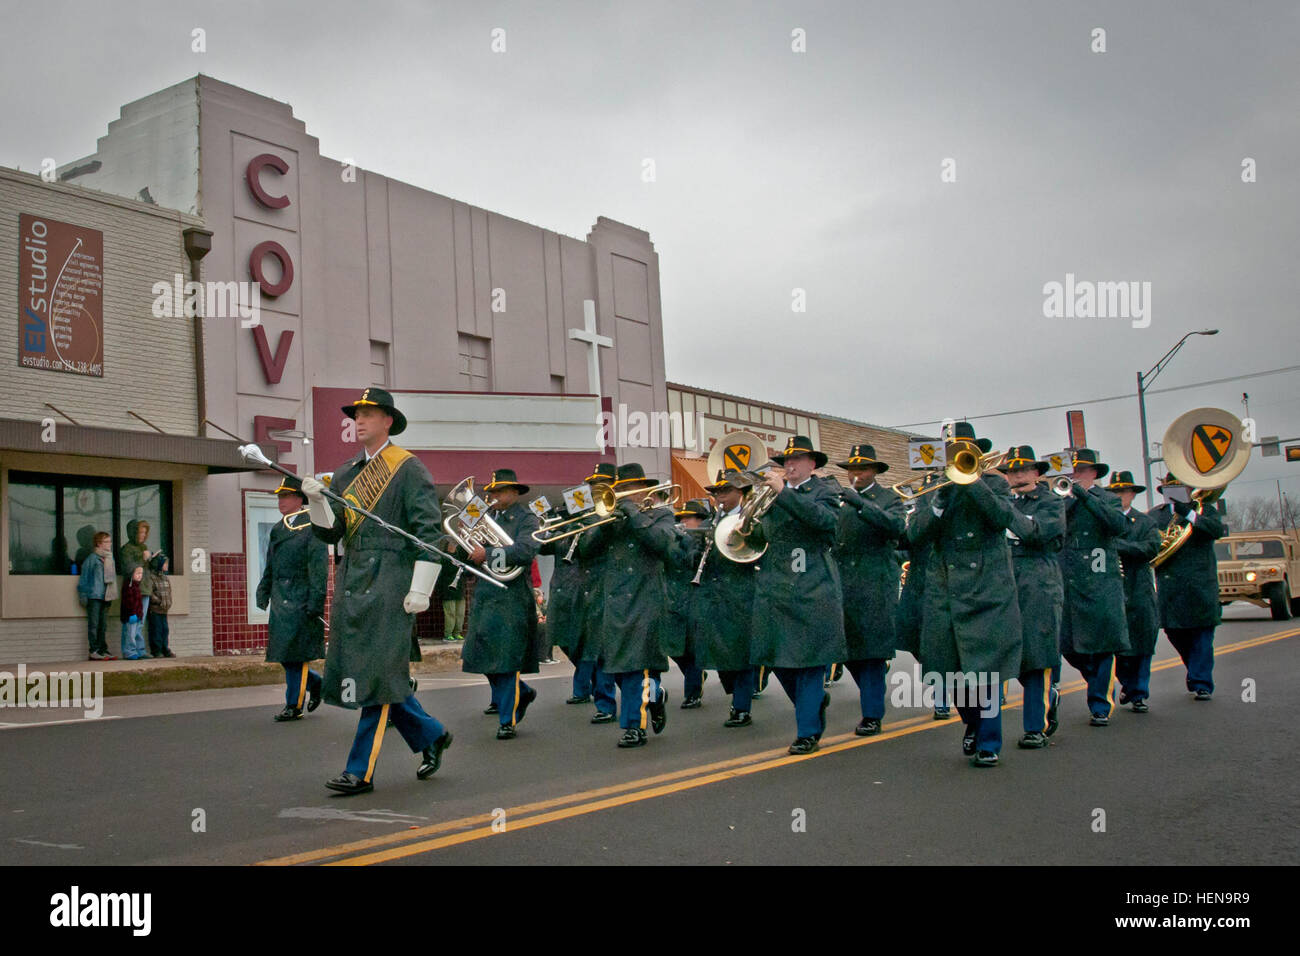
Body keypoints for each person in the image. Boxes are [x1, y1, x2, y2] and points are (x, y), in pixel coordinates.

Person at [299, 386, 453, 795]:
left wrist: (421, 586)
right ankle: (432, 734)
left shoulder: (408, 469)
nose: (359, 420)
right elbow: (332, 531)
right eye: (356, 414)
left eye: (369, 413)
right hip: (353, 580)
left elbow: (428, 533)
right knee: (376, 675)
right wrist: (316, 501)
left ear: (388, 420)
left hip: (391, 580)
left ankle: (359, 771)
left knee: (378, 676)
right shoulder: (347, 472)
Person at [909, 423, 1023, 768]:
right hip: (945, 587)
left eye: (962, 449)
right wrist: (940, 502)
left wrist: (972, 482)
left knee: (984, 670)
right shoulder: (934, 487)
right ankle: (972, 722)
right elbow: (914, 533)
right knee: (950, 671)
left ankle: (989, 741)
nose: (956, 456)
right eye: (950, 450)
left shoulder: (995, 482)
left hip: (986, 586)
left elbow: (1003, 518)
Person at [746, 435, 847, 756]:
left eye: (797, 460)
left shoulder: (826, 490)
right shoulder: (771, 495)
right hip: (775, 589)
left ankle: (807, 732)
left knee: (807, 664)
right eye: (786, 461)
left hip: (812, 588)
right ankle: (814, 701)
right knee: (779, 662)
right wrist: (747, 521)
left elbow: (824, 522)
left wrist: (782, 493)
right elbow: (761, 536)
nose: (789, 466)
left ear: (812, 464)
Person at [578, 463, 673, 748]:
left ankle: (634, 726)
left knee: (636, 668)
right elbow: (586, 550)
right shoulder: (612, 521)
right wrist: (605, 526)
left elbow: (661, 544)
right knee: (616, 668)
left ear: (644, 490)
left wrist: (633, 514)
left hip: (646, 600)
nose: (622, 495)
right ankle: (654, 695)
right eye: (619, 490)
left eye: (629, 489)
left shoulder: (661, 515)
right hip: (615, 602)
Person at [460, 468, 542, 740]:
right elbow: (472, 551)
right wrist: (466, 539)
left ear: (514, 492)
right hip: (486, 594)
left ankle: (508, 719)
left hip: (511, 597)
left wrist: (490, 552)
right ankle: (523, 691)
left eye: (499, 491)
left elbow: (526, 551)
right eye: (492, 492)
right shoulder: (487, 516)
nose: (493, 496)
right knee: (481, 656)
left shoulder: (527, 518)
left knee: (506, 661)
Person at [834, 444, 906, 736]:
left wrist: (861, 504)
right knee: (850, 652)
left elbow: (896, 528)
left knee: (871, 653)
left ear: (875, 471)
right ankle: (871, 689)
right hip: (844, 582)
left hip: (875, 583)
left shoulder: (888, 498)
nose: (856, 474)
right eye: (852, 469)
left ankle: (872, 714)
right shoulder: (840, 501)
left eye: (862, 469)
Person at [1058, 448, 1130, 727]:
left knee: (1102, 646)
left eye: (1079, 471)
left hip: (1100, 582)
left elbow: (1117, 525)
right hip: (1068, 580)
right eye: (1071, 471)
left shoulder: (1108, 499)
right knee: (1070, 647)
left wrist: (1084, 496)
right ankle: (1098, 680)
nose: (1073, 475)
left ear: (1092, 473)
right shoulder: (1060, 499)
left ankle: (1099, 703)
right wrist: (1067, 497)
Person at [1000, 446, 1067, 749]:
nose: (1018, 476)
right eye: (1013, 471)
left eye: (1025, 470)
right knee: (1006, 655)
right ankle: (1045, 697)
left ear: (1037, 473)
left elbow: (1034, 533)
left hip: (1038, 581)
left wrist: (1004, 510)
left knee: (1036, 657)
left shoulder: (1052, 502)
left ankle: (1034, 727)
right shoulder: (1004, 500)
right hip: (1004, 581)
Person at [256, 475, 328, 721]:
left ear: (300, 499)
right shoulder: (279, 528)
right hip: (281, 599)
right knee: (284, 655)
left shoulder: (313, 526)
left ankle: (294, 705)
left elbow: (319, 568)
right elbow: (271, 564)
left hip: (301, 598)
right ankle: (316, 684)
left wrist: (316, 602)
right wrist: (263, 590)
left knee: (295, 655)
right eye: (279, 497)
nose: (281, 501)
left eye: (286, 496)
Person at [1149, 473, 1226, 700]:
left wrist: (1189, 513)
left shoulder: (1205, 510)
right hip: (1170, 587)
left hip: (1199, 586)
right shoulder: (1155, 516)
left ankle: (1202, 682)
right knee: (1175, 633)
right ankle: (1194, 668)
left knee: (1202, 636)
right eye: (1169, 489)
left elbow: (1215, 531)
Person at [695, 470, 759, 727]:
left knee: (741, 655)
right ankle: (737, 697)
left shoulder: (750, 519)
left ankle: (741, 707)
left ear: (741, 493)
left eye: (726, 491)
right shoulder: (712, 520)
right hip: (714, 595)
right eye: (717, 492)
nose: (720, 496)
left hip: (741, 593)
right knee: (722, 655)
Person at [1107, 471, 1163, 712]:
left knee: (1141, 645)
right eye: (1115, 492)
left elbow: (1150, 548)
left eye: (1123, 491)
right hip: (1112, 590)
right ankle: (1127, 684)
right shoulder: (1105, 522)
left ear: (1132, 494)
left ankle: (1139, 693)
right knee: (1118, 647)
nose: (1119, 496)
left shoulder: (1145, 522)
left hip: (1138, 588)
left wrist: (1119, 546)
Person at [668, 498, 710, 708]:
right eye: (681, 518)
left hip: (696, 597)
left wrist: (684, 540)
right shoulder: (676, 538)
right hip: (675, 598)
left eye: (688, 518)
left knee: (692, 648)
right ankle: (696, 678)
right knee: (675, 648)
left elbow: (693, 560)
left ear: (700, 520)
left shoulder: (706, 536)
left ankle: (692, 693)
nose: (684, 522)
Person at [78, 531, 118, 661]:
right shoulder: (92, 559)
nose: (110, 544)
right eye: (107, 541)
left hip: (107, 595)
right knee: (94, 624)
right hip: (94, 595)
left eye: (110, 541)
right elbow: (84, 578)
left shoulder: (109, 558)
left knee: (103, 625)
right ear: (99, 543)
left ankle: (102, 649)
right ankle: (94, 650)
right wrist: (83, 595)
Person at [120, 519, 154, 621]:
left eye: (145, 533)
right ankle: (131, 638)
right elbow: (129, 568)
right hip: (133, 590)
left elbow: (148, 568)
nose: (143, 535)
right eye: (140, 532)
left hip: (146, 587)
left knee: (141, 621)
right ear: (133, 533)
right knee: (133, 622)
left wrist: (153, 559)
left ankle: (135, 637)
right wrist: (142, 559)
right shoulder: (126, 549)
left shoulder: (144, 547)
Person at [435, 537, 467, 642]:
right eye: (452, 543)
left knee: (460, 613)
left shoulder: (460, 555)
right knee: (450, 613)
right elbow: (447, 570)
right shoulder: (444, 557)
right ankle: (448, 634)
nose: (454, 545)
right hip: (448, 589)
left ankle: (457, 633)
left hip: (459, 588)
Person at [146, 553, 175, 658]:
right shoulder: (152, 578)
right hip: (155, 609)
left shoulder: (165, 578)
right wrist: (158, 601)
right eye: (165, 563)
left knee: (165, 630)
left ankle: (165, 648)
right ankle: (156, 650)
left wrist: (169, 602)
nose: (167, 565)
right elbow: (150, 593)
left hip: (164, 609)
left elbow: (169, 591)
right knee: (156, 630)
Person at [119, 565, 147, 660]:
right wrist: (132, 613)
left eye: (141, 573)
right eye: (138, 573)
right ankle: (129, 652)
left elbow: (138, 603)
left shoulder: (136, 585)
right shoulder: (129, 585)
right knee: (130, 634)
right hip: (130, 615)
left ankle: (134, 650)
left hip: (137, 615)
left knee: (134, 633)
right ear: (132, 574)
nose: (140, 575)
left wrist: (140, 614)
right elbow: (129, 602)